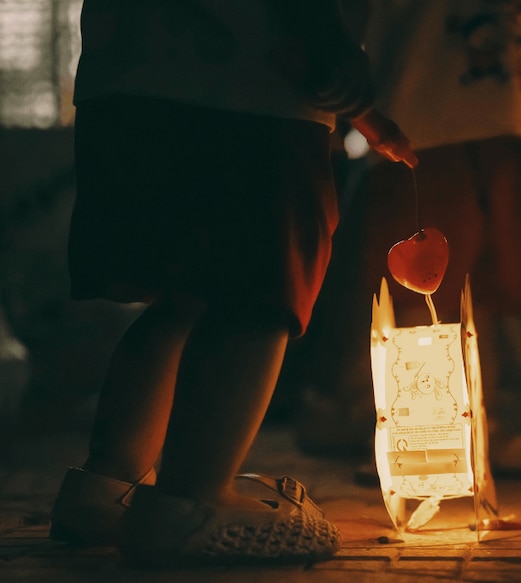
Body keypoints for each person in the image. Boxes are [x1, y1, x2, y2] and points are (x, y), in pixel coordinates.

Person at [48, 0, 415, 566]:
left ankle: (106, 484)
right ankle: (195, 495)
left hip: (125, 75)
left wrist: (367, 116)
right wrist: (333, 49)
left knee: (183, 295)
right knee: (258, 292)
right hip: (254, 84)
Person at [295, 0, 521, 474]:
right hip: (422, 115)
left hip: (505, 115)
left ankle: (483, 414)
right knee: (424, 283)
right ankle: (421, 432)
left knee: (488, 280)